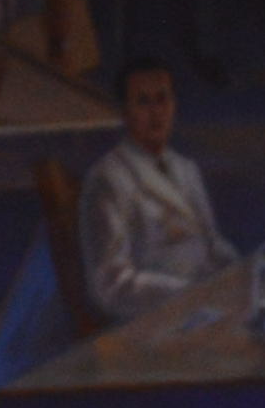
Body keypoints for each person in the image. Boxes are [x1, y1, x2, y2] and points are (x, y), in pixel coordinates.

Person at [74, 57, 235, 318]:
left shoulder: (187, 168)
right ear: (124, 111)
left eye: (162, 99)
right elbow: (111, 284)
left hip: (209, 308)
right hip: (157, 320)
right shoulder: (109, 178)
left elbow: (212, 244)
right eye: (143, 102)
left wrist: (240, 275)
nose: (156, 112)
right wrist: (189, 295)